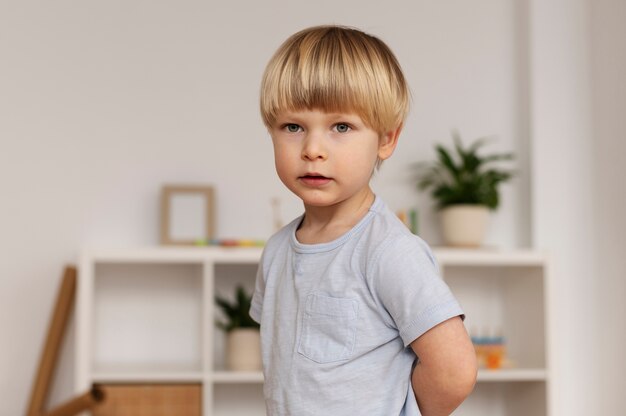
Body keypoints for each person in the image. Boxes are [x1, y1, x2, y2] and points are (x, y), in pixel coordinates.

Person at [250, 25, 477, 416]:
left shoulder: (388, 252)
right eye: (293, 127)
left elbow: (454, 371)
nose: (313, 149)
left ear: (386, 139)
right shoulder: (276, 252)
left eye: (341, 127)